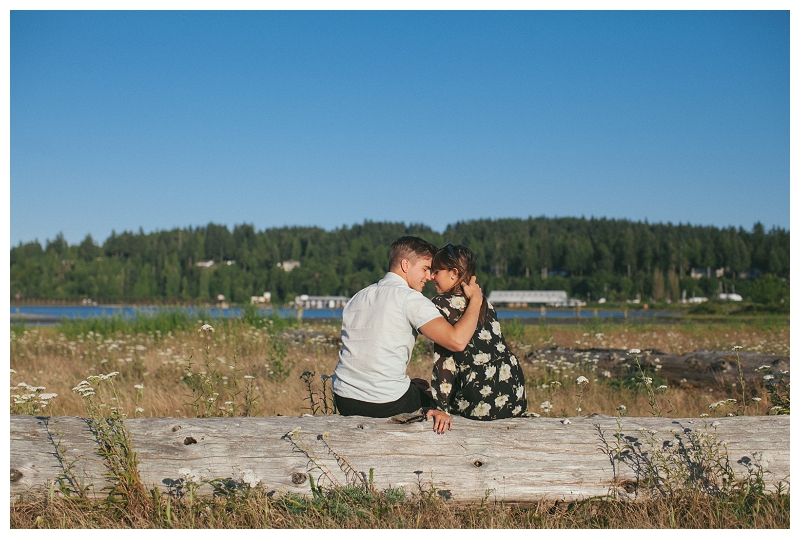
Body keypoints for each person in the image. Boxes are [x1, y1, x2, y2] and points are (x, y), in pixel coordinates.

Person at [331, 236, 483, 433]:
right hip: (384, 402)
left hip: (344, 398)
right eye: (425, 268)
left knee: (414, 387)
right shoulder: (410, 298)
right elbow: (457, 341)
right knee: (433, 399)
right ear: (405, 264)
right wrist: (476, 302)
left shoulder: (358, 297)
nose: (429, 276)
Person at [428, 243, 527, 430]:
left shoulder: (440, 304)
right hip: (513, 388)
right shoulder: (484, 303)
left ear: (454, 273)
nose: (432, 277)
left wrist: (441, 407)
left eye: (436, 271)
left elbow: (445, 360)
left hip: (479, 391)